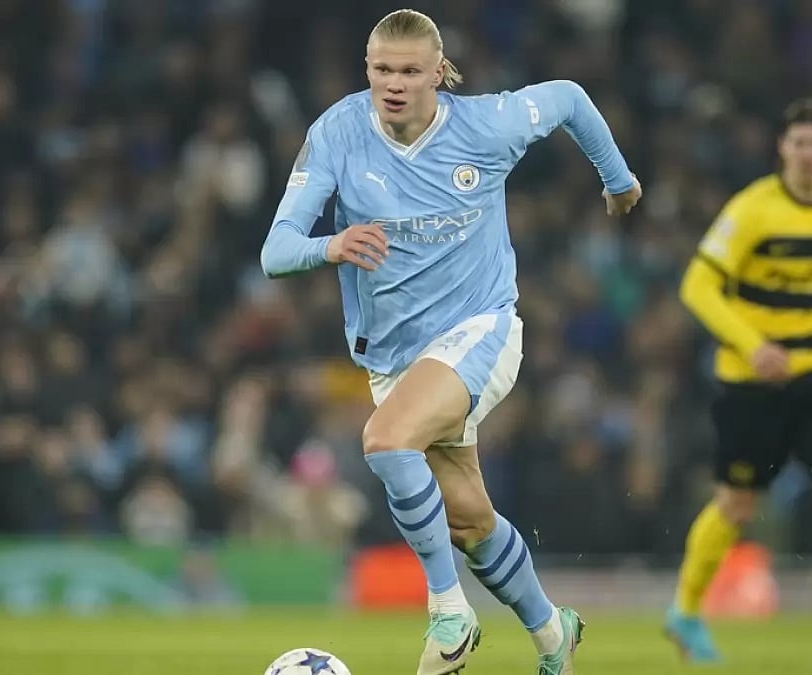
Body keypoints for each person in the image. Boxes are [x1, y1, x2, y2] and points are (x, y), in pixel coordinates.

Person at [260, 9, 641, 675]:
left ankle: (449, 611)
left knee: (384, 439)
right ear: (368, 69)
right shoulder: (339, 133)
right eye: (383, 69)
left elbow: (571, 100)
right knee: (467, 520)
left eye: (410, 71)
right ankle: (555, 635)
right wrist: (331, 244)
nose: (395, 83)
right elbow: (276, 249)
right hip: (395, 355)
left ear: (439, 72)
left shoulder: (485, 124)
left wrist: (618, 179)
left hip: (481, 329)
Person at [666, 98, 812, 666]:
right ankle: (685, 612)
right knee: (737, 505)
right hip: (750, 382)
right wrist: (753, 345)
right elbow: (697, 285)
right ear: (783, 149)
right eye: (800, 143)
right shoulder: (752, 210)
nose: (810, 154)